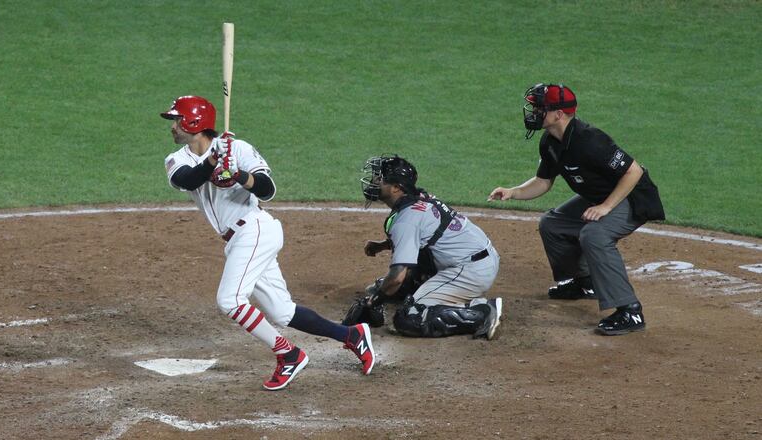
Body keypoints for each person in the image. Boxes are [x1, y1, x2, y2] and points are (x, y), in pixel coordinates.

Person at [160, 95, 375, 390]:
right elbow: (188, 180)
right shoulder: (178, 158)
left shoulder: (239, 149)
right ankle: (351, 335)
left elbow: (267, 189)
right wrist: (212, 162)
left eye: (176, 120)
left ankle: (289, 354)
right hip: (238, 240)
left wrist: (238, 174)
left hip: (255, 230)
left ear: (192, 122)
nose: (172, 126)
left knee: (230, 300)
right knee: (281, 311)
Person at [488, 83, 664, 335]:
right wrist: (513, 191)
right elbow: (543, 181)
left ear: (559, 114)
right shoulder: (550, 141)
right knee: (553, 223)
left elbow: (633, 171)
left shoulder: (589, 140)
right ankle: (585, 282)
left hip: (633, 196)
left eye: (540, 108)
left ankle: (630, 311)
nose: (534, 112)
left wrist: (605, 207)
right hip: (602, 196)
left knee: (594, 235)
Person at [348, 154, 502, 339]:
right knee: (401, 286)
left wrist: (373, 302)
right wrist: (384, 245)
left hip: (469, 271)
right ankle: (423, 285)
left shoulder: (406, 220)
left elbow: (396, 277)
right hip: (475, 256)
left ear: (396, 188)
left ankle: (481, 312)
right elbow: (424, 234)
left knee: (410, 317)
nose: (373, 182)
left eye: (379, 179)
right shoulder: (418, 197)